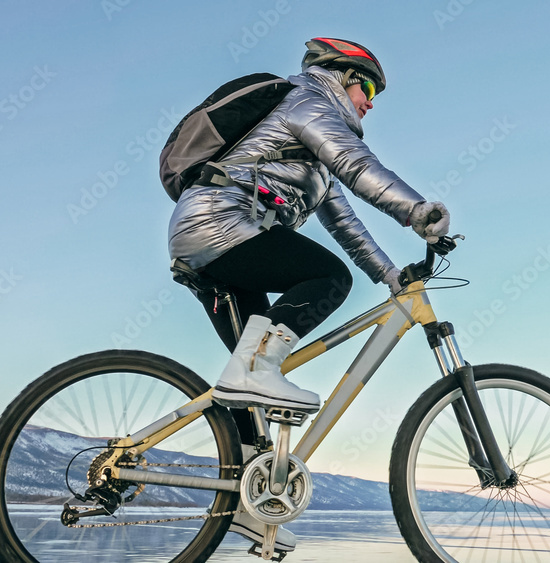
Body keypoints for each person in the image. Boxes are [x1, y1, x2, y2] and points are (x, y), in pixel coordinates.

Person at [166, 37, 450, 551]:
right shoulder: (309, 102)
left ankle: (244, 509)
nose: (370, 102)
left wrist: (392, 277)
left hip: (210, 237)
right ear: (341, 76)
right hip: (221, 223)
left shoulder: (311, 155)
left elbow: (347, 225)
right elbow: (359, 166)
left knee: (245, 401)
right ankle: (257, 368)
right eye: (367, 87)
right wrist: (417, 211)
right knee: (329, 279)